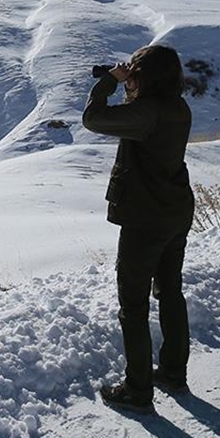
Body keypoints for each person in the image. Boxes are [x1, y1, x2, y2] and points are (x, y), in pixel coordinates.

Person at [82, 44, 195, 413]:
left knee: (133, 304)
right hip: (175, 210)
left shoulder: (147, 111)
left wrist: (110, 84)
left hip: (146, 218)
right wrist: (133, 85)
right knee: (171, 292)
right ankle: (174, 372)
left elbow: (93, 119)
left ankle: (137, 389)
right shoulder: (177, 107)